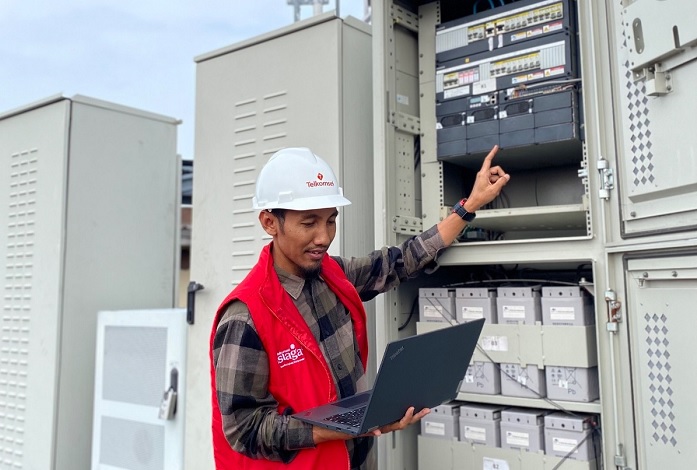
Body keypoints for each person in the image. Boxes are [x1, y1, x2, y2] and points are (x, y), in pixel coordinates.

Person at [210, 146, 510, 469]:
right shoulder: (245, 317)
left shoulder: (333, 275)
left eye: (330, 221)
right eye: (309, 223)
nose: (323, 237)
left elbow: (398, 262)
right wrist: (333, 428)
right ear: (270, 223)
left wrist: (469, 206)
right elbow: (243, 427)